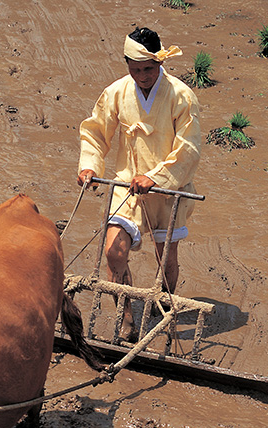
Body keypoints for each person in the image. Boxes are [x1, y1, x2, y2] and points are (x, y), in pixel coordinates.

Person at [77, 27, 202, 338]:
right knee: (113, 252)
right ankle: (126, 318)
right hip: (127, 184)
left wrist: (155, 177)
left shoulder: (181, 96)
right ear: (127, 66)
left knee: (166, 260)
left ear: (160, 63)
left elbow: (189, 149)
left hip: (167, 187)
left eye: (148, 69)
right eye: (136, 70)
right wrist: (90, 166)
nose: (143, 76)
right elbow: (94, 132)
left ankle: (163, 312)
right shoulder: (116, 93)